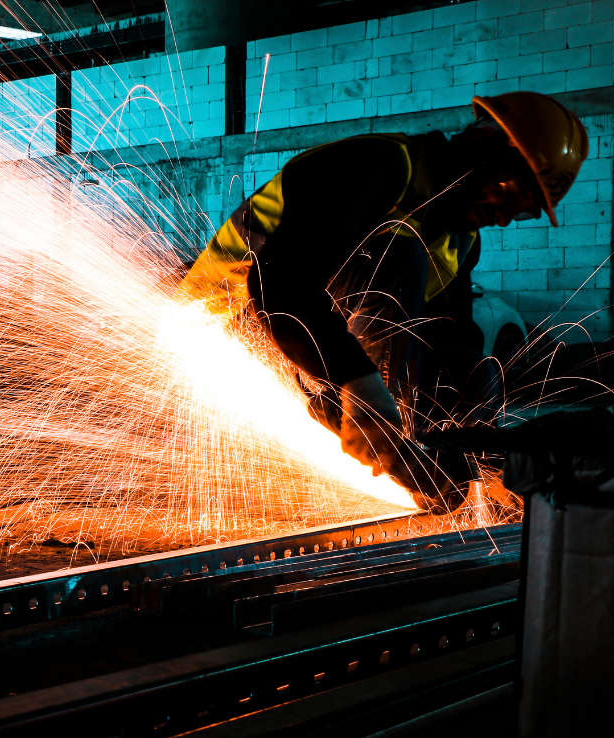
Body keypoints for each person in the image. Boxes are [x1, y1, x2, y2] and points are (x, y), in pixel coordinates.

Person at [177, 91, 588, 508]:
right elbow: (279, 285)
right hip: (232, 326)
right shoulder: (377, 166)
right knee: (396, 255)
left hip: (310, 335)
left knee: (472, 369)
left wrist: (474, 451)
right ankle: (352, 413)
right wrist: (360, 385)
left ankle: (416, 454)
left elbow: (447, 343)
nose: (503, 217)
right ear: (482, 148)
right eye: (511, 195)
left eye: (521, 212)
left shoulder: (461, 240)